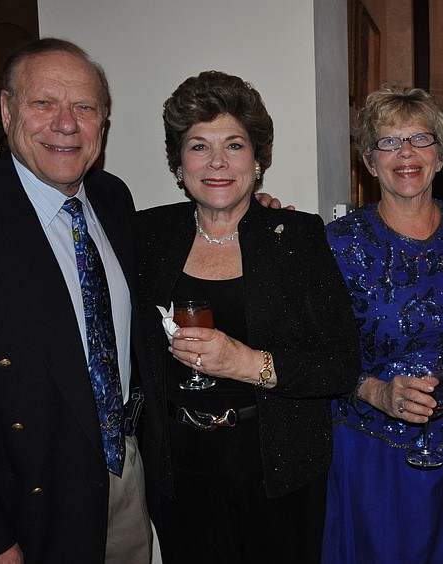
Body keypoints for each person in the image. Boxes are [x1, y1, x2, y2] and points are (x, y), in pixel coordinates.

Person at [0, 38, 153, 563]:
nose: (66, 123)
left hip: (126, 482)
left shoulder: (113, 198)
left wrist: (245, 215)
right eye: (44, 103)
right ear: (7, 109)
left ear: (102, 124)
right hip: (22, 508)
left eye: (84, 107)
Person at [135, 70, 359, 563]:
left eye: (234, 145)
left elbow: (341, 364)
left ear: (257, 160)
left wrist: (247, 363)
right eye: (198, 146)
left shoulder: (296, 236)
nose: (217, 162)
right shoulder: (147, 234)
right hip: (178, 472)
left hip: (279, 473)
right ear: (178, 163)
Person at [322, 85, 443, 563]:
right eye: (388, 141)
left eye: (421, 139)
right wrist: (375, 391)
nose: (406, 153)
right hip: (372, 447)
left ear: (440, 157)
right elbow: (313, 357)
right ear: (368, 160)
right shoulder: (335, 245)